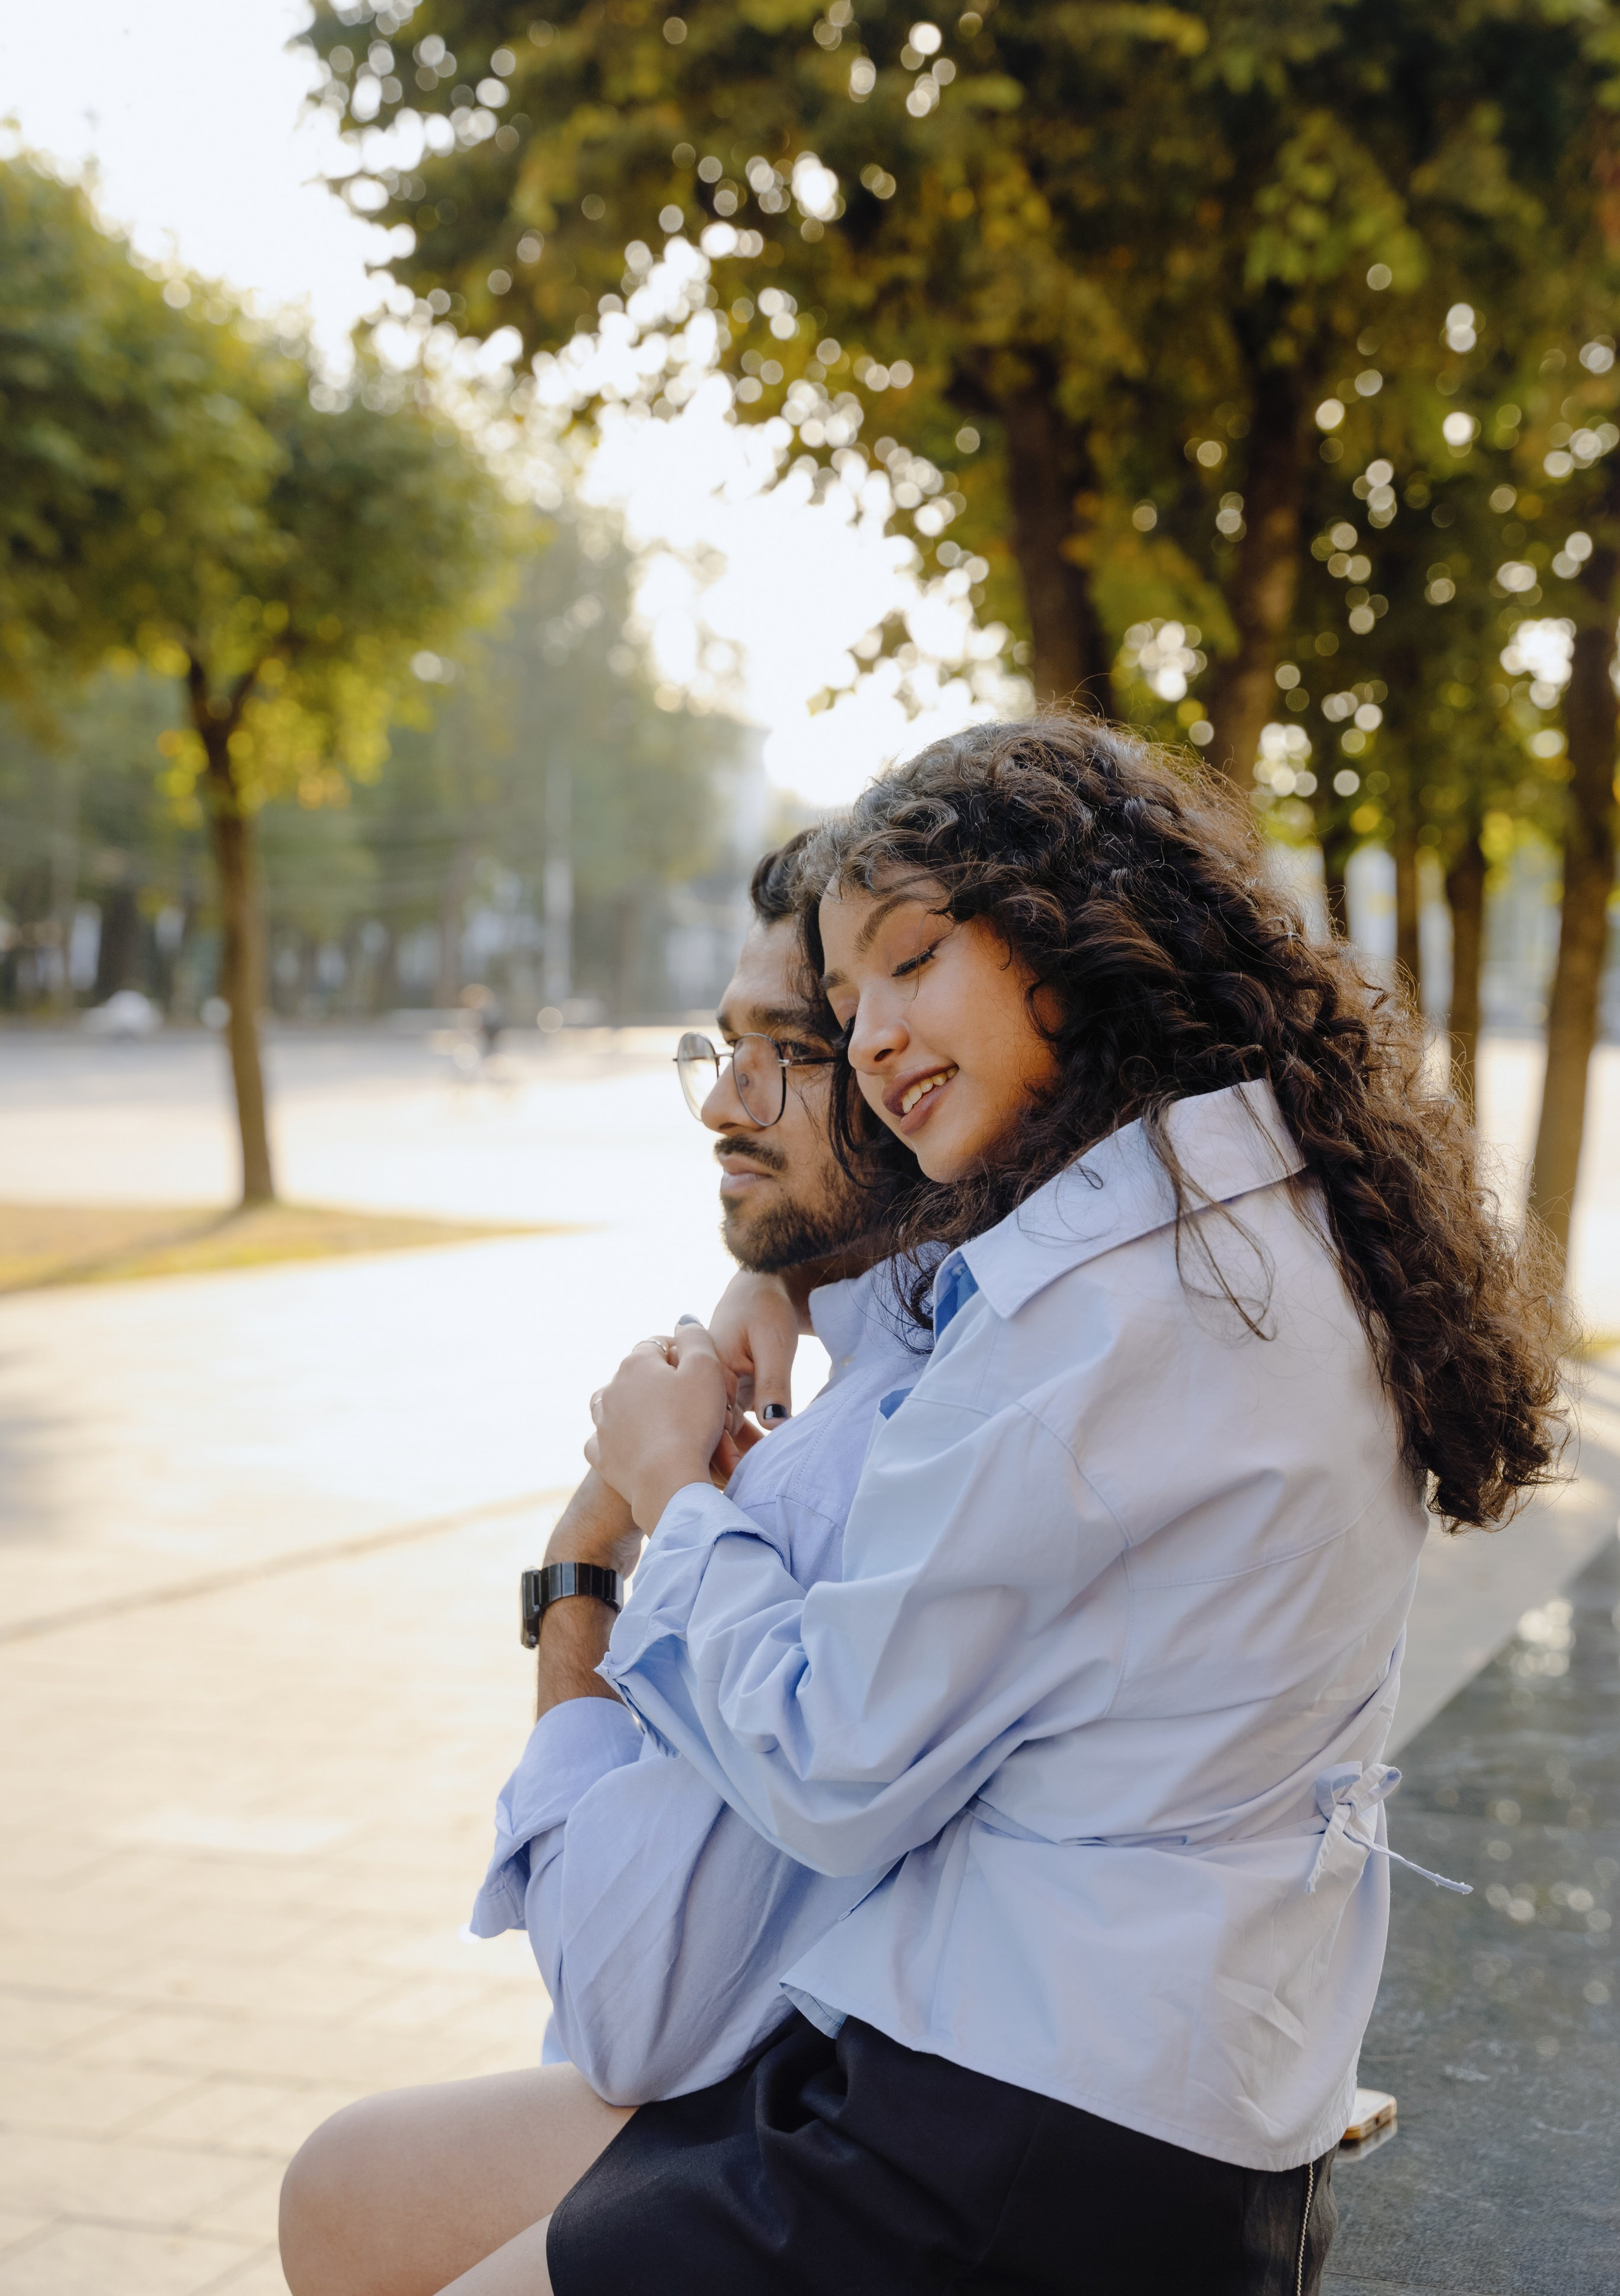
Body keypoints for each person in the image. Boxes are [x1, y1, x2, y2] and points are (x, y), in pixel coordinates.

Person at [536, 717, 1565, 2296]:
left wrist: (664, 1500)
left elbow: (821, 1764)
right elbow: (945, 1329)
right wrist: (773, 1281)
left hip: (1017, 2153)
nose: (873, 1036)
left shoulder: (1112, 1316)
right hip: (1141, 2103)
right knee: (369, 2205)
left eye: (908, 961)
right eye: (849, 997)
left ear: (1067, 934)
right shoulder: (1229, 1206)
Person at [278, 836, 927, 2296]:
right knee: (349, 2189)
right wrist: (782, 1280)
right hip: (866, 2087)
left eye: (786, 1052)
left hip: (866, 2132)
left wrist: (588, 1558)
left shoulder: (851, 1462)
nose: (718, 1101)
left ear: (904, 1071)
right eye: (720, 1044)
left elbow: (620, 2018)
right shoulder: (893, 1363)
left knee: (350, 2195)